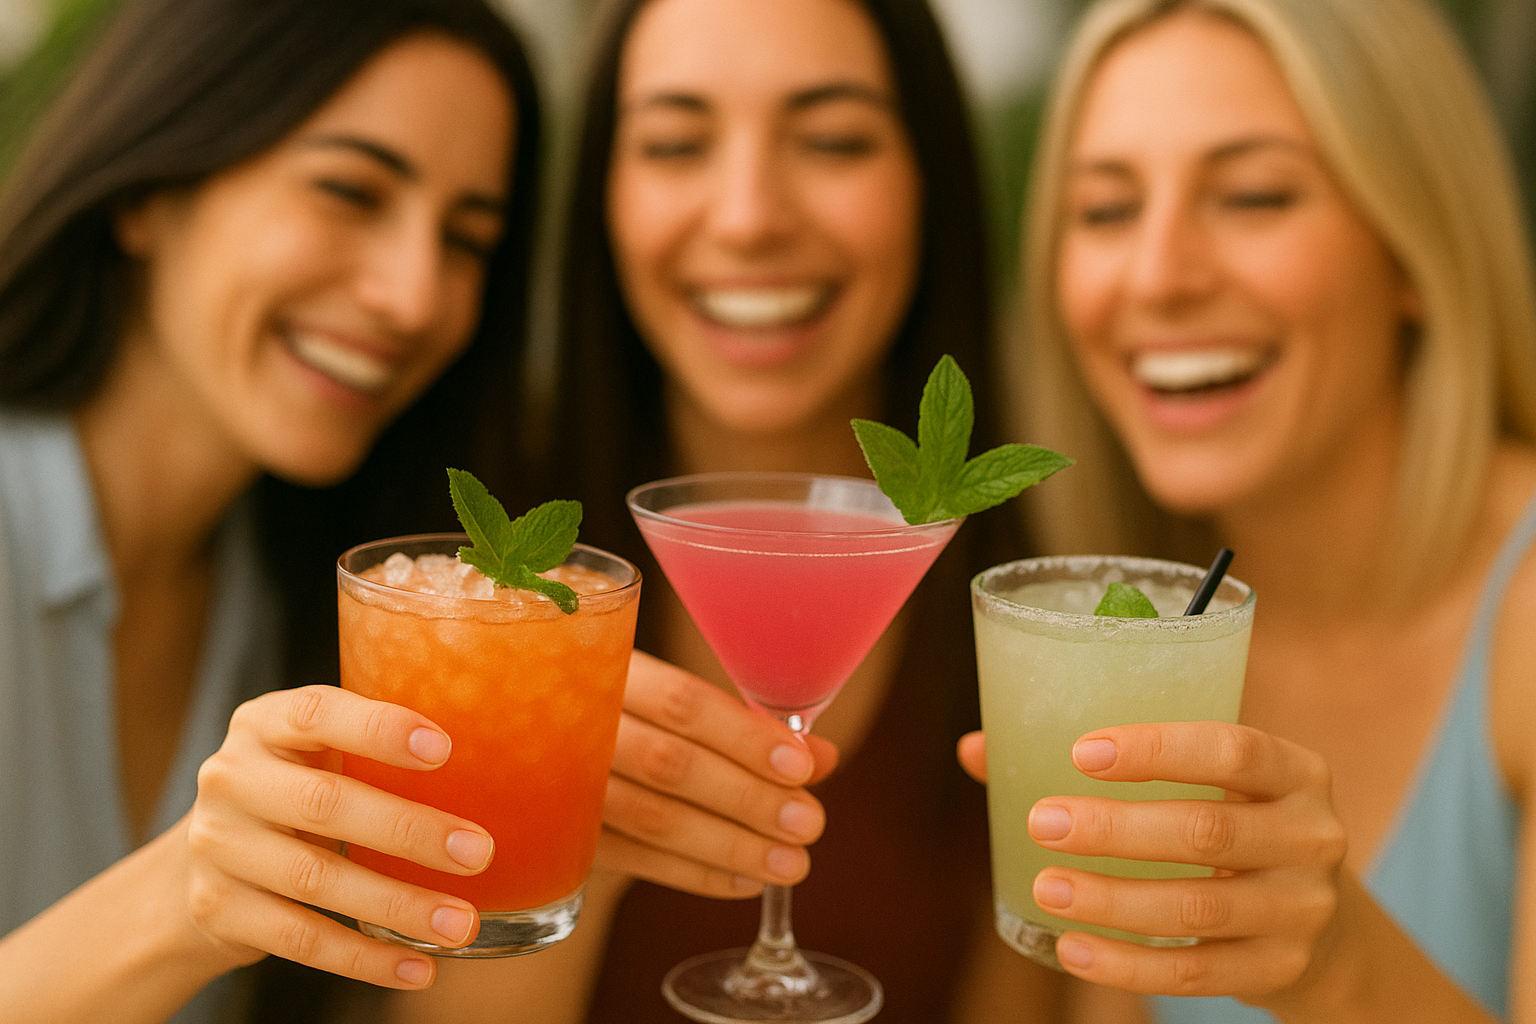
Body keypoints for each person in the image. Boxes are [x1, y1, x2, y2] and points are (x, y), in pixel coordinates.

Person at [0, 2, 837, 1022]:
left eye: (466, 240)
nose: (412, 294)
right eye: (348, 190)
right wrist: (179, 904)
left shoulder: (308, 585)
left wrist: (573, 852)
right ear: (146, 189)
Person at [955, 0, 1536, 1021]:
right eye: (1104, 211)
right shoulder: (1122, 619)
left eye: (1255, 196)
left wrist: (1334, 961)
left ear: (1414, 248)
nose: (1159, 276)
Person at [536, 0, 1016, 1020]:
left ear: (930, 181)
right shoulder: (493, 577)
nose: (749, 215)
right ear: (601, 196)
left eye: (834, 140)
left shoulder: (1025, 599)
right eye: (675, 143)